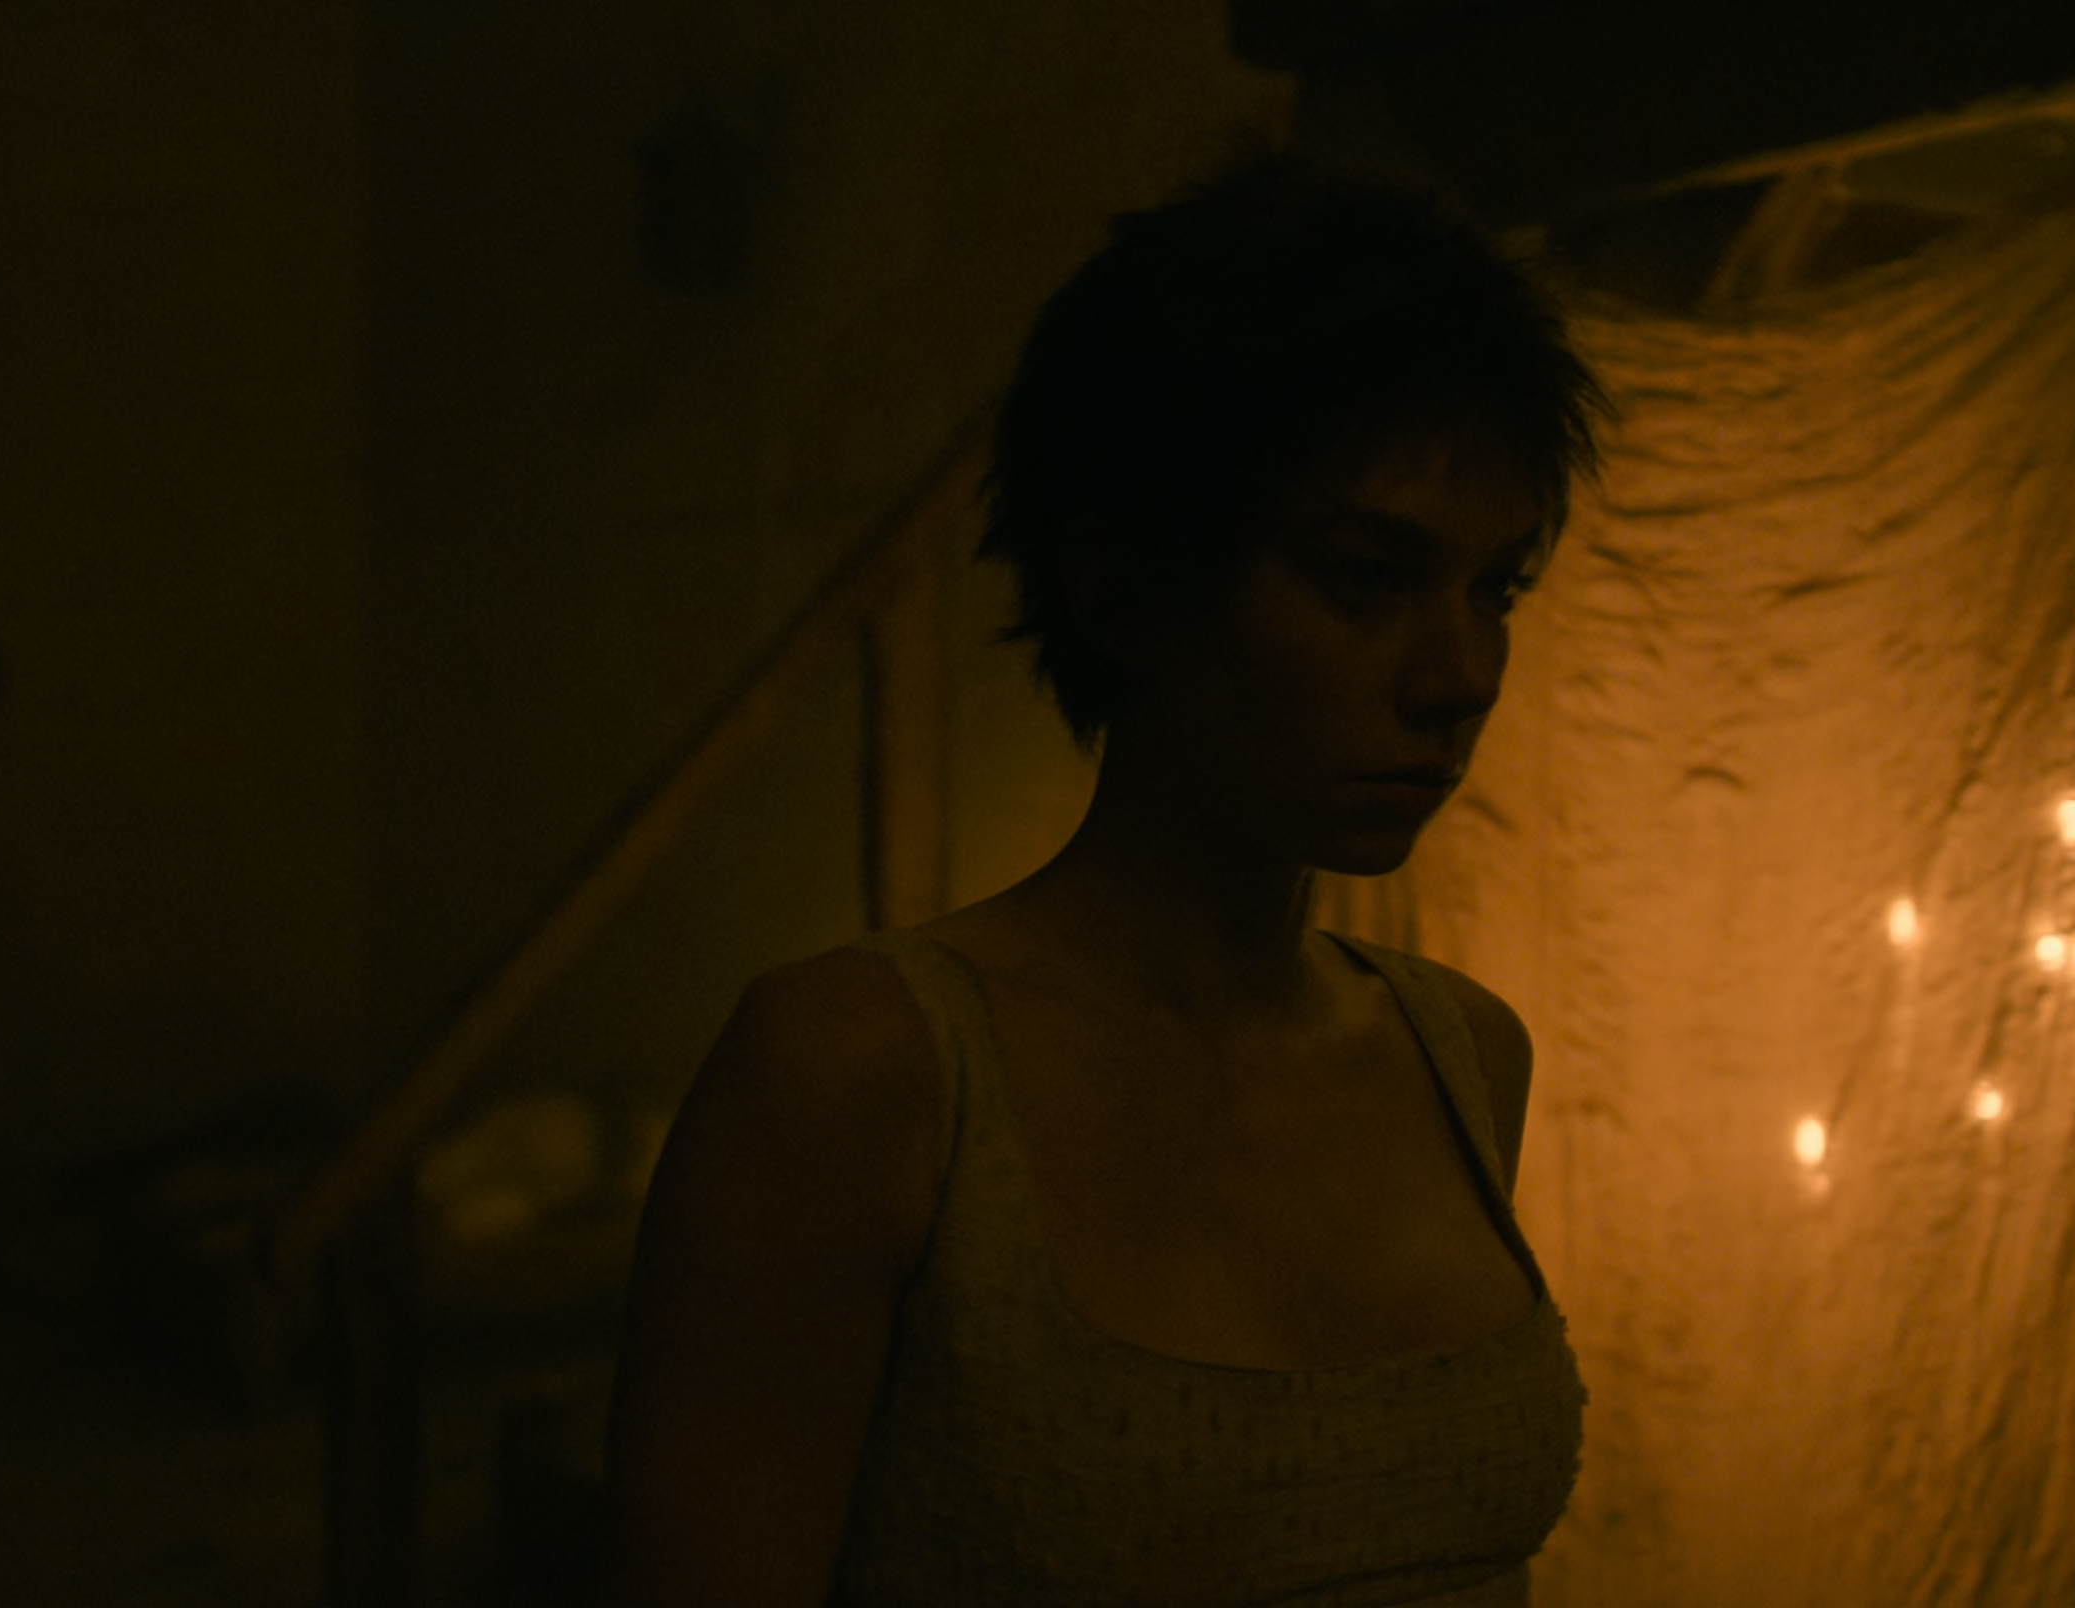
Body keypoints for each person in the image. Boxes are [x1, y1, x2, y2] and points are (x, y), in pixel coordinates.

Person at [605, 150, 1610, 1607]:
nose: (1460, 675)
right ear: (1125, 582)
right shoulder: (868, 1072)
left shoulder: (1459, 1056)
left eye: (1494, 588)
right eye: (1366, 579)